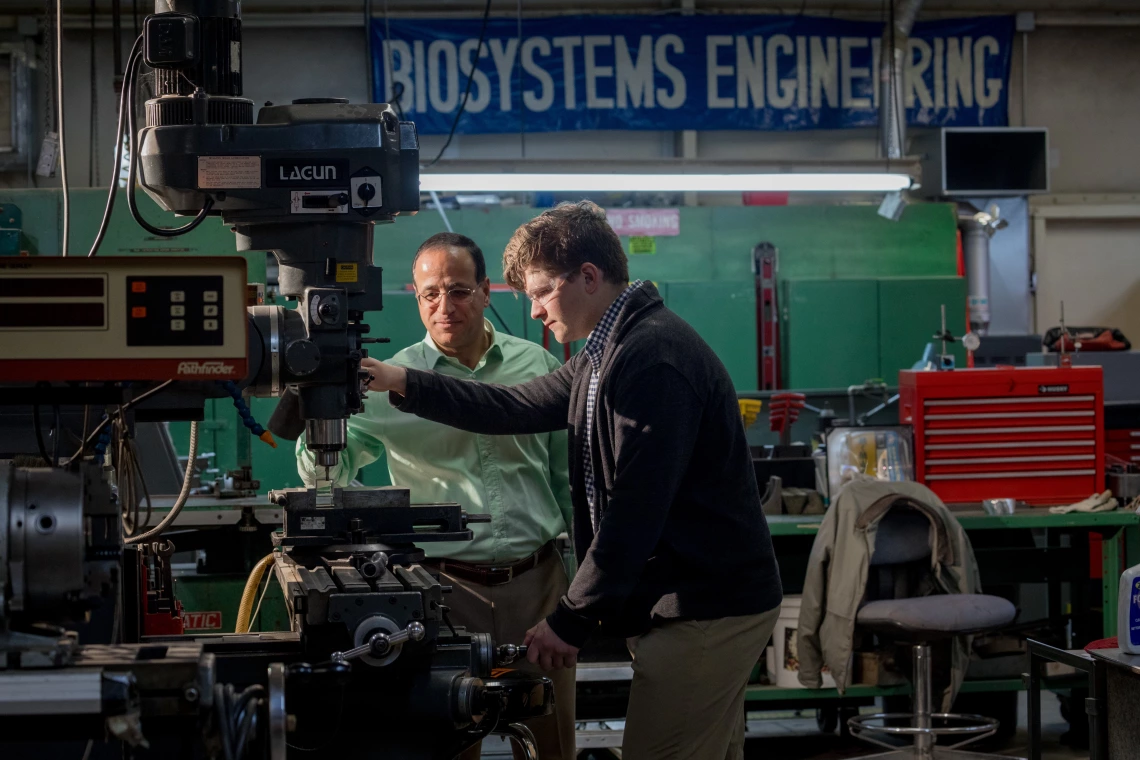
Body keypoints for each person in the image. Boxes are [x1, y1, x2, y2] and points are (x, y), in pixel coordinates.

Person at [361, 201, 783, 760]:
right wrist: (396, 378)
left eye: (539, 293)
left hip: (706, 608)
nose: (533, 312)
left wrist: (570, 618)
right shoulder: (605, 353)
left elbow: (635, 512)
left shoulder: (652, 357)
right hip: (690, 602)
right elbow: (509, 408)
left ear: (588, 276)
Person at [295, 232, 576, 760]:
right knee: (445, 744)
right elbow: (327, 475)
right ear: (416, 297)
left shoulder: (535, 366)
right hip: (443, 594)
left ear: (487, 291)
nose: (444, 306)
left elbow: (565, 479)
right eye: (430, 294)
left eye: (459, 291)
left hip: (537, 587)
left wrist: (582, 589)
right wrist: (318, 415)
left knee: (551, 742)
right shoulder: (387, 381)